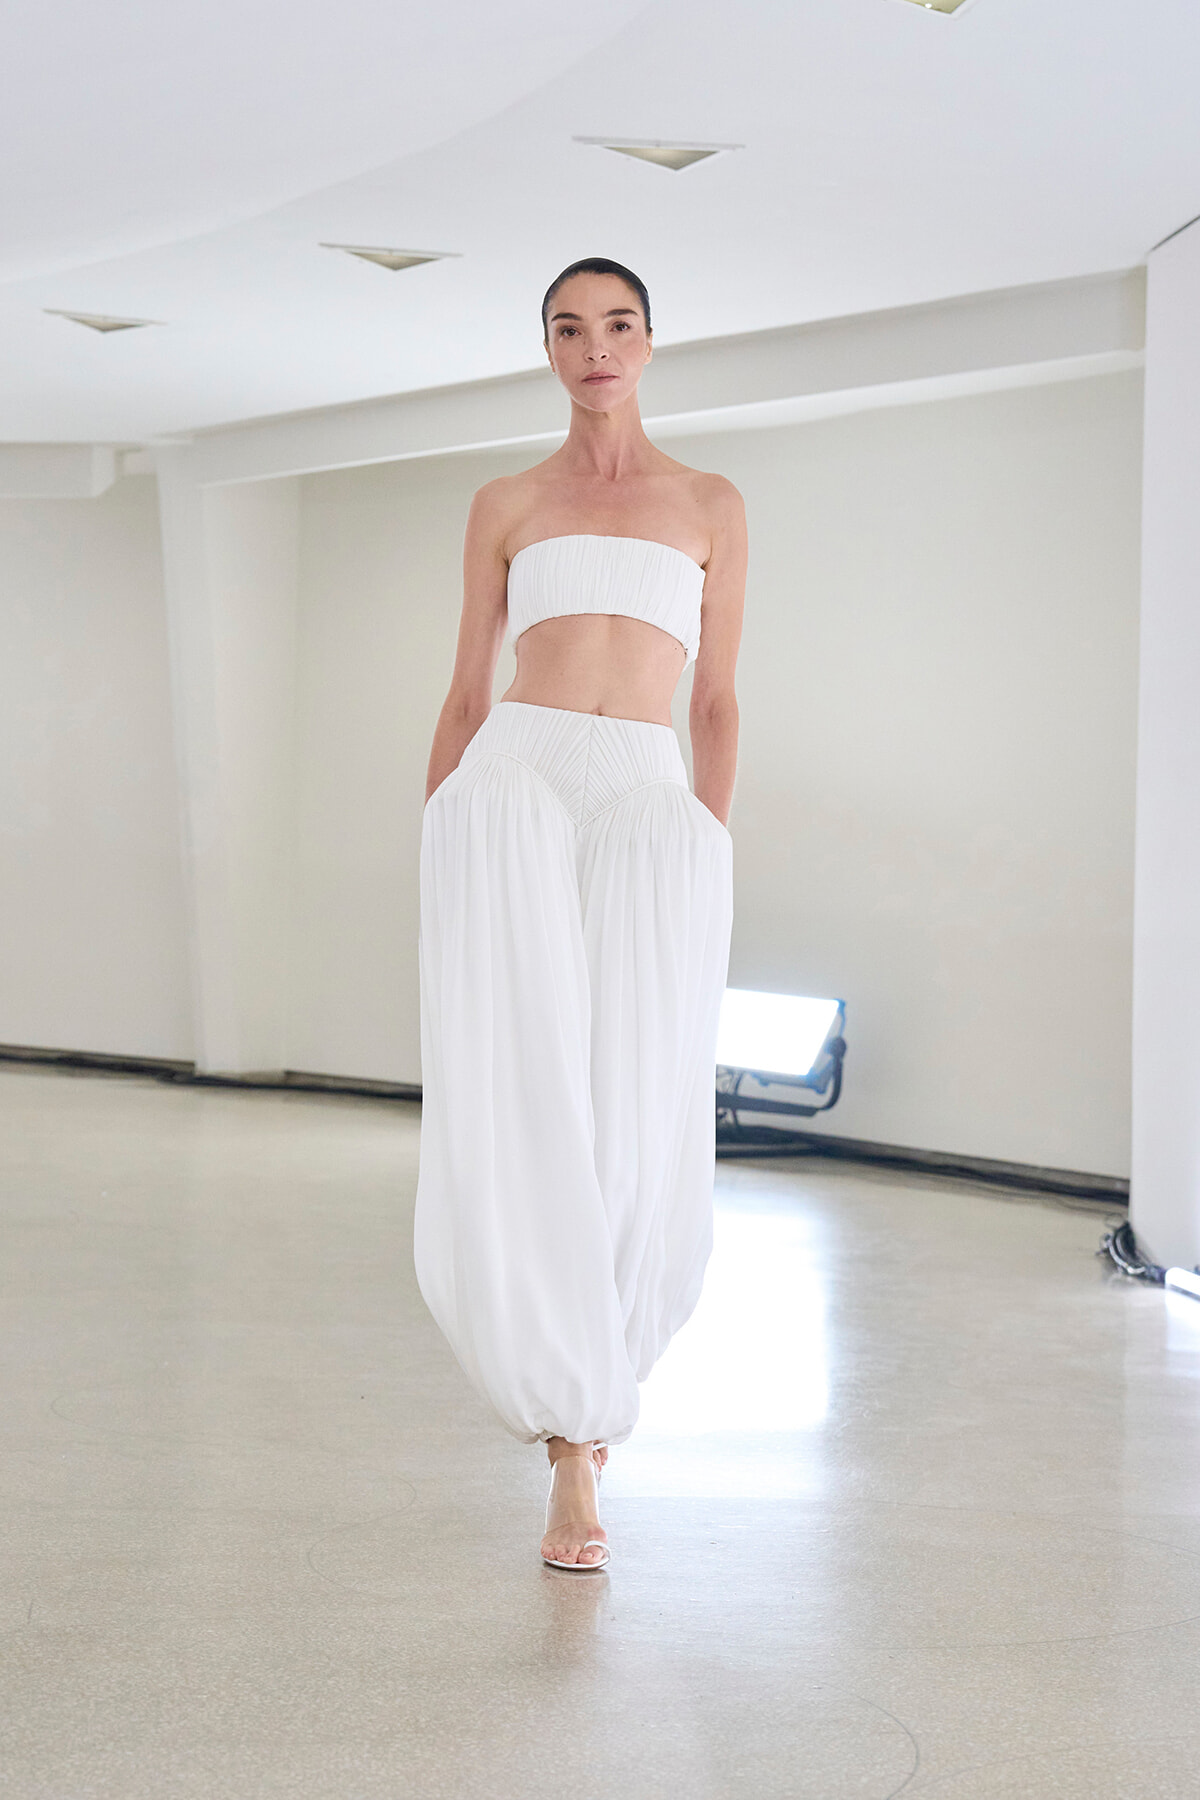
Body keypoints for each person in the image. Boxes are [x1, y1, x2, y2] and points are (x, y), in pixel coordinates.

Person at [414, 256, 745, 1570]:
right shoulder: (507, 500)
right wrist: (436, 823)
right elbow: (465, 688)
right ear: (547, 351)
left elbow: (716, 697)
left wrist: (710, 833)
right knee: (531, 1081)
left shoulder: (712, 503)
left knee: (637, 1087)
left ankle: (599, 1397)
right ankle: (568, 1459)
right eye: (567, 328)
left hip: (649, 796)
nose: (593, 346)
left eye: (615, 325)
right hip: (515, 785)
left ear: (650, 342)